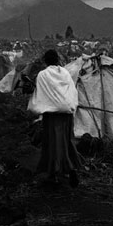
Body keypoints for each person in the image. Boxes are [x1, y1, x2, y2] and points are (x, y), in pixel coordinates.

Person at [28, 49, 81, 187]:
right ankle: (71, 169)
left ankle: (54, 173)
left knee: (53, 143)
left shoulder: (43, 75)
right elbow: (72, 91)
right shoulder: (65, 73)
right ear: (57, 60)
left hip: (52, 116)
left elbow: (42, 94)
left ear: (45, 61)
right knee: (67, 141)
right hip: (67, 115)